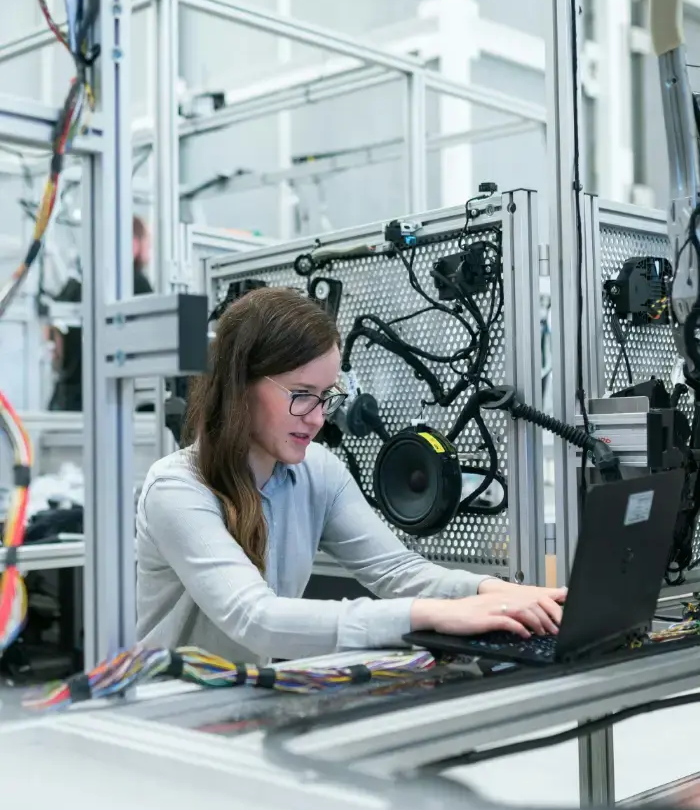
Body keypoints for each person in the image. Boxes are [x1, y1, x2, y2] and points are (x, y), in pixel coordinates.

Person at [135, 287, 566, 664]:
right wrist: (430, 615)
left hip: (246, 699)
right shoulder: (177, 489)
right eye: (302, 395)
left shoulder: (317, 472)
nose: (318, 418)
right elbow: (256, 618)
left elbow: (399, 572)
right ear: (239, 385)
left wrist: (499, 593)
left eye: (326, 397)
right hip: (172, 715)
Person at [48, 215, 153, 411]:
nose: (149, 249)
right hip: (110, 402)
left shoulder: (76, 284)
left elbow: (53, 339)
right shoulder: (135, 282)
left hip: (65, 401)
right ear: (133, 242)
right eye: (146, 242)